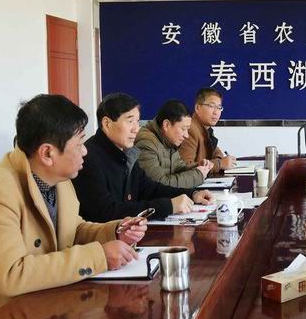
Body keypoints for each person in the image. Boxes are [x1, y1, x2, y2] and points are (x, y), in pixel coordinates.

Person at [0, 94, 146, 319]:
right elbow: (12, 274)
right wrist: (99, 256)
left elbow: (73, 229)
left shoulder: (58, 180)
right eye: (79, 143)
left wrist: (114, 231)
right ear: (48, 153)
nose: (85, 151)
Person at [73, 93, 213, 222]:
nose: (136, 129)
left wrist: (192, 194)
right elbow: (106, 212)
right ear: (107, 123)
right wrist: (168, 206)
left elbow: (150, 188)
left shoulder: (127, 153)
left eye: (137, 121)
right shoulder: (88, 158)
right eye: (130, 121)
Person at [135, 99, 212, 188]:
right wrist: (198, 175)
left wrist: (198, 167)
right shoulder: (146, 144)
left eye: (188, 129)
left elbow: (178, 169)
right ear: (166, 125)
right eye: (183, 129)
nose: (186, 135)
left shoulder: (168, 140)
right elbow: (158, 185)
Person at [179, 87, 236, 173]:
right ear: (197, 108)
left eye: (219, 107)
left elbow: (218, 154)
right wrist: (219, 164)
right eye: (211, 106)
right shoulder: (190, 129)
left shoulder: (207, 129)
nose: (216, 112)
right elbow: (185, 167)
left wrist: (220, 161)